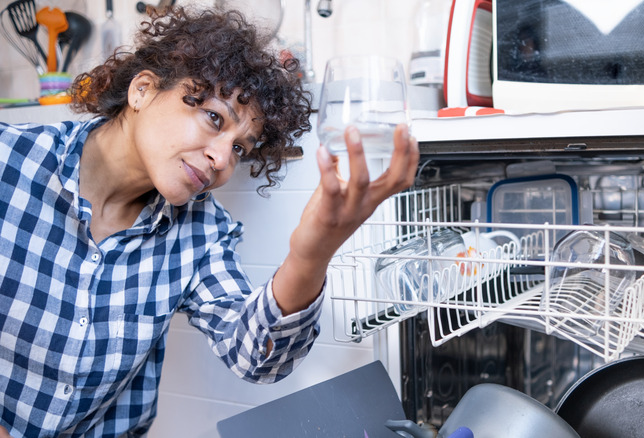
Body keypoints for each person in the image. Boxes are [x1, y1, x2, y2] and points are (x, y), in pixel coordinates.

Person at [0, 5, 418, 437]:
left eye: (240, 148)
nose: (221, 159)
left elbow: (257, 356)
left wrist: (311, 253)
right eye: (213, 118)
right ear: (142, 90)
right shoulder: (9, 161)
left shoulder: (200, 229)